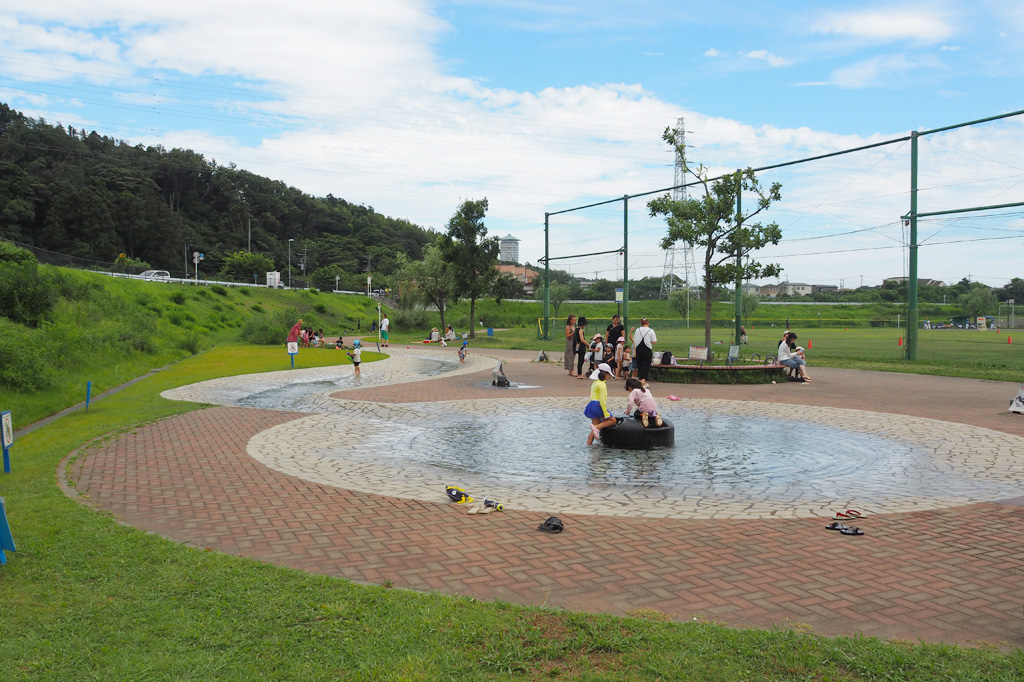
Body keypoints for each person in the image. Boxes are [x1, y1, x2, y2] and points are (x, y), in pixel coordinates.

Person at [584, 362, 617, 445]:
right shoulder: (602, 384)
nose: (609, 377)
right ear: (605, 374)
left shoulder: (595, 382)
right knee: (613, 420)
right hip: (598, 405)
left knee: (593, 430)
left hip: (592, 404)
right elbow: (602, 400)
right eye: (608, 374)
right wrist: (605, 412)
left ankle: (589, 444)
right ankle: (597, 427)